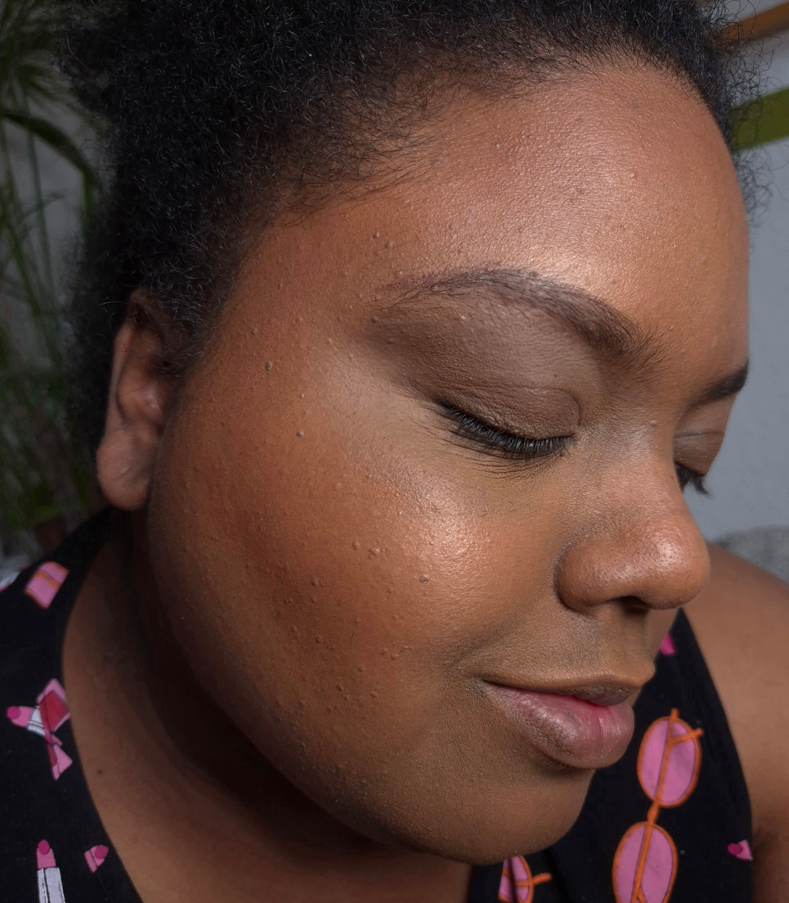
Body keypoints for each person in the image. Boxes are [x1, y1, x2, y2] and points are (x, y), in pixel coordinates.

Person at [2, 1, 788, 901]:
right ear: (153, 390)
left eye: (688, 459)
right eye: (510, 420)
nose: (675, 561)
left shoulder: (733, 710)